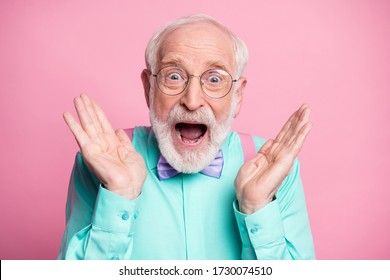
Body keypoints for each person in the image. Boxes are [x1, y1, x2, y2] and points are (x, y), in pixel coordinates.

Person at [58, 14, 315, 260]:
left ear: (238, 95)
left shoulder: (277, 169)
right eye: (174, 76)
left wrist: (258, 208)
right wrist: (118, 195)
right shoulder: (102, 159)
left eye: (215, 79)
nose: (192, 101)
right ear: (149, 88)